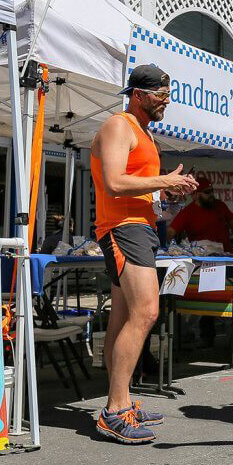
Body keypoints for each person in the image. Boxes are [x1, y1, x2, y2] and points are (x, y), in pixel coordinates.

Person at [90, 65, 199, 443]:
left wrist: (166, 191)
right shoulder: (118, 126)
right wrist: (164, 180)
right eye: (160, 94)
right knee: (146, 312)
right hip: (122, 229)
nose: (166, 101)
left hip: (140, 226)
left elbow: (136, 185)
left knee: (123, 317)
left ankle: (122, 401)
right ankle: (114, 410)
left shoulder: (144, 134)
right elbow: (114, 182)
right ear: (138, 93)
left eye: (169, 93)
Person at [167, 176, 233, 346]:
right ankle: (205, 334)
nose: (212, 195)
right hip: (202, 263)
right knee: (207, 297)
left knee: (229, 294)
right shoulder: (187, 212)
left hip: (226, 258)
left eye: (212, 191)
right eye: (207, 192)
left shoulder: (220, 206)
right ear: (195, 195)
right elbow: (170, 231)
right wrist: (166, 247)